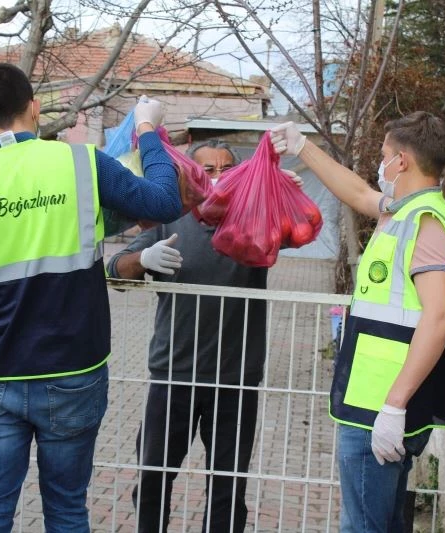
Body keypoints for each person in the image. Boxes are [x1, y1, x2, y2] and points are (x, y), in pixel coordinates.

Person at [0, 63, 182, 533]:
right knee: (68, 510)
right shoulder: (81, 162)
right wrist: (146, 129)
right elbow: (163, 202)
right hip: (74, 369)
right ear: (34, 107)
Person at [271, 112, 445, 532]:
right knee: (385, 523)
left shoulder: (424, 222)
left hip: (381, 406)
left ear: (402, 162)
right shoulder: (404, 210)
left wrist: (393, 408)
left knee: (362, 527)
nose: (380, 166)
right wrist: (301, 146)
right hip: (375, 401)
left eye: (384, 157)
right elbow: (357, 192)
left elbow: (440, 317)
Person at [107, 139, 301, 532]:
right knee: (153, 475)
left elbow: (295, 230)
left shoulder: (253, 219)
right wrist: (142, 260)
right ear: (191, 176)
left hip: (235, 377)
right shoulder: (171, 217)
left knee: (228, 485)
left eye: (227, 170)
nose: (216, 178)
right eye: (207, 170)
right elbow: (113, 269)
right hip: (174, 373)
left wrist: (280, 192)